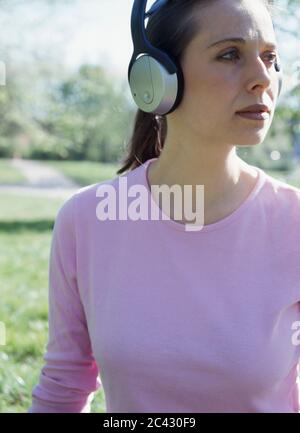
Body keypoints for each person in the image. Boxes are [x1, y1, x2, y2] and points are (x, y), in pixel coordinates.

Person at [29, 0, 300, 413]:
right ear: (156, 78)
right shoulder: (86, 220)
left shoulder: (293, 221)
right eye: (230, 54)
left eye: (270, 57)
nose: (263, 78)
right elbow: (64, 385)